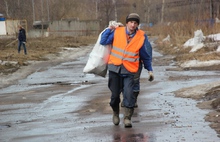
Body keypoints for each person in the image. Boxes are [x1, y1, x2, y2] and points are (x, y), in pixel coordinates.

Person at [100, 13, 154, 128]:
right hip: (115, 68)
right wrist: (110, 28)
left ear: (137, 25)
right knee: (115, 96)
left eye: (135, 23)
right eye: (131, 22)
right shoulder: (117, 32)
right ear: (126, 23)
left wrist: (150, 69)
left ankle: (127, 118)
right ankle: (115, 113)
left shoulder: (141, 37)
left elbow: (145, 55)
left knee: (129, 95)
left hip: (129, 70)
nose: (133, 25)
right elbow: (103, 41)